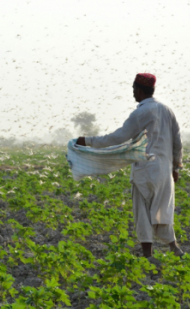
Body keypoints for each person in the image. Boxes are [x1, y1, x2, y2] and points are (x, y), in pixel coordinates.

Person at [76, 73, 183, 258]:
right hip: (164, 172)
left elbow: (117, 137)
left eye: (134, 89)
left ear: (139, 90)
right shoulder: (167, 110)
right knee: (161, 209)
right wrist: (175, 167)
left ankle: (148, 255)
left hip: (144, 170)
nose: (133, 93)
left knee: (142, 212)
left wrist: (88, 141)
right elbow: (177, 141)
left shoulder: (140, 113)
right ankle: (175, 248)